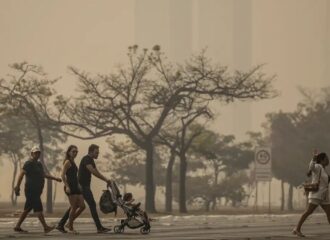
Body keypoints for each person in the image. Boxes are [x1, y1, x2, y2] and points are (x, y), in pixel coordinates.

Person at [56, 144, 111, 234]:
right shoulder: (86, 159)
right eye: (96, 153)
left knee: (77, 206)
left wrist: (106, 179)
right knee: (91, 205)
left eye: (76, 152)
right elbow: (93, 172)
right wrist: (105, 179)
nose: (98, 154)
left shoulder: (89, 160)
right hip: (82, 186)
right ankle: (99, 227)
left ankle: (62, 224)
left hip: (79, 186)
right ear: (90, 152)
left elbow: (95, 170)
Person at [13, 146, 62, 233]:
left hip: (37, 191)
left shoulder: (39, 164)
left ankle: (17, 226)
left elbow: (44, 175)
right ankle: (46, 227)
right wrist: (17, 186)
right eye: (35, 153)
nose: (37, 154)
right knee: (38, 208)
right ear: (32, 154)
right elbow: (21, 175)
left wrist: (55, 178)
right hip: (31, 190)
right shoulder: (28, 163)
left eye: (38, 153)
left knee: (27, 209)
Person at [293, 151, 330, 237]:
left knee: (329, 213)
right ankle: (297, 229)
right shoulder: (317, 167)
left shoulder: (323, 169)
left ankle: (296, 229)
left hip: (324, 196)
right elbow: (311, 167)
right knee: (308, 212)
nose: (328, 160)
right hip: (316, 194)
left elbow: (326, 181)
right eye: (326, 158)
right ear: (322, 160)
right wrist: (313, 158)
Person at [59, 145, 85, 234]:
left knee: (82, 206)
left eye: (76, 152)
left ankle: (69, 222)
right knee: (73, 207)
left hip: (76, 186)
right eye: (73, 151)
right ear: (69, 152)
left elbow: (74, 176)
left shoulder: (73, 162)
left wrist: (78, 184)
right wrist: (67, 186)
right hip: (70, 186)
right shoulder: (67, 162)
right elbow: (62, 175)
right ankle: (70, 227)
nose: (75, 153)